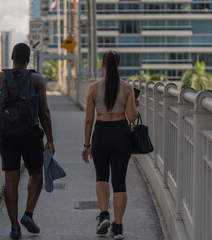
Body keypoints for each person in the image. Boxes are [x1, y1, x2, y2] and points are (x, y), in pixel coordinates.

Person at [0, 43, 55, 240]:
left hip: (6, 135)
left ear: (12, 57)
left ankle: (14, 228)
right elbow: (44, 112)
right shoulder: (36, 79)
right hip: (30, 134)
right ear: (28, 59)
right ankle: (28, 214)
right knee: (36, 174)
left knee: (10, 181)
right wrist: (50, 140)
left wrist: (2, 110)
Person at [81, 50, 138, 239]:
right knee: (120, 182)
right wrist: (135, 105)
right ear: (119, 65)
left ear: (103, 65)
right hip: (121, 134)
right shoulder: (128, 88)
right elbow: (132, 117)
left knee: (102, 177)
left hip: (101, 134)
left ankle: (104, 214)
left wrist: (86, 144)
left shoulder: (93, 88)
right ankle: (118, 227)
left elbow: (89, 119)